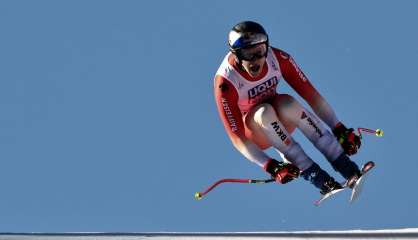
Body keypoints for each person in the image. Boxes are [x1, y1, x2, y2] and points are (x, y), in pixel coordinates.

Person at [213, 21, 363, 195]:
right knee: (264, 113)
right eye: (248, 54)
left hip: (281, 118)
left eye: (260, 51)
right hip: (256, 132)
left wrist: (339, 128)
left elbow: (311, 95)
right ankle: (320, 180)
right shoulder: (226, 82)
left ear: (266, 47)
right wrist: (270, 165)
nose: (255, 60)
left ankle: (347, 168)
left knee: (288, 103)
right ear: (237, 55)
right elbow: (237, 138)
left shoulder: (278, 58)